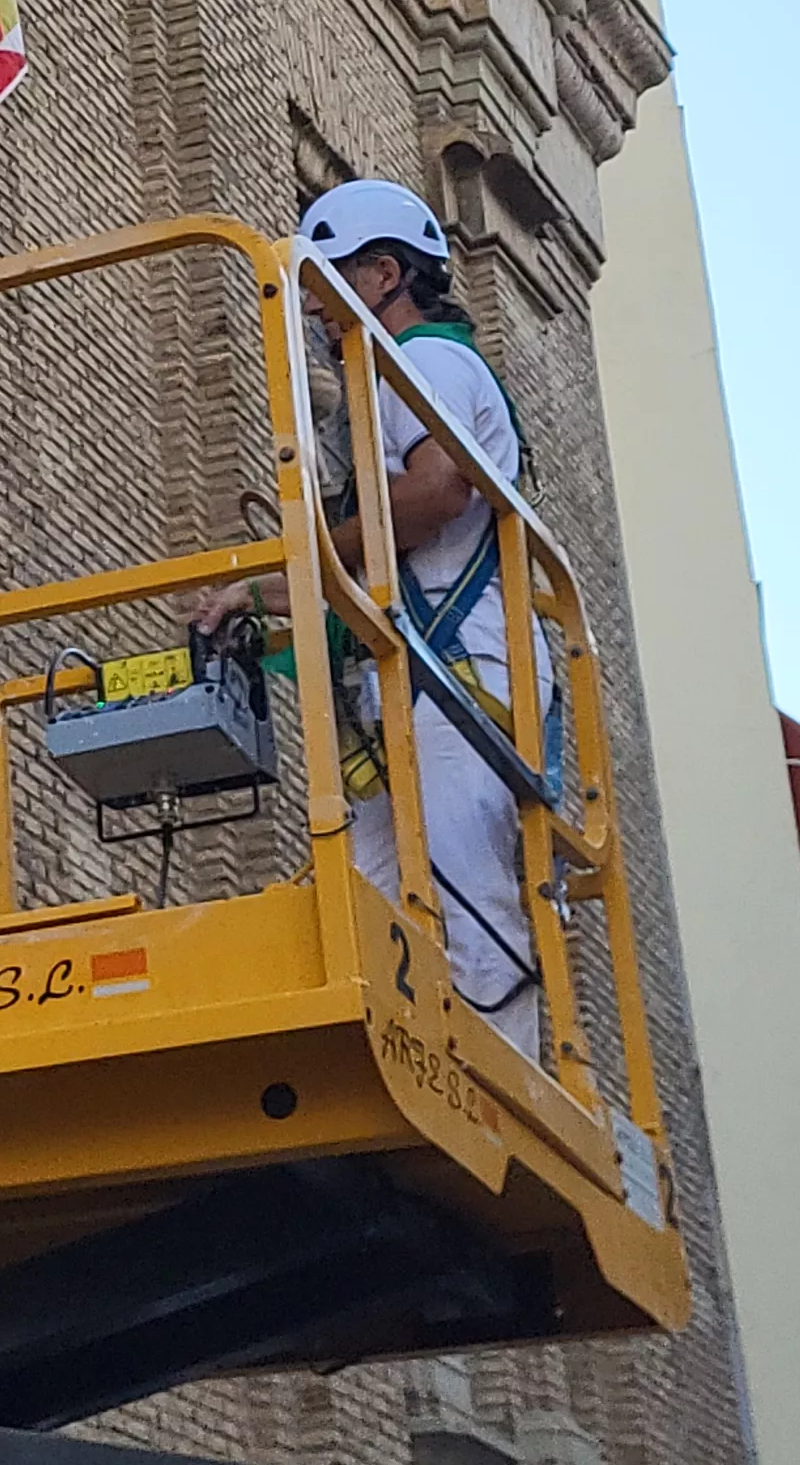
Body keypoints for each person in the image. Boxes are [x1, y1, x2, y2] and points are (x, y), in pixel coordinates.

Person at [196, 178, 543, 1055]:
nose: (313, 306)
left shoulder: (424, 363)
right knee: (367, 902)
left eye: (326, 282)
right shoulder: (388, 378)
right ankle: (405, 1062)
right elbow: (365, 561)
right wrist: (254, 594)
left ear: (384, 274)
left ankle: (503, 1082)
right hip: (417, 678)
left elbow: (433, 494)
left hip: (458, 676)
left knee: (467, 895)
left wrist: (307, 554)